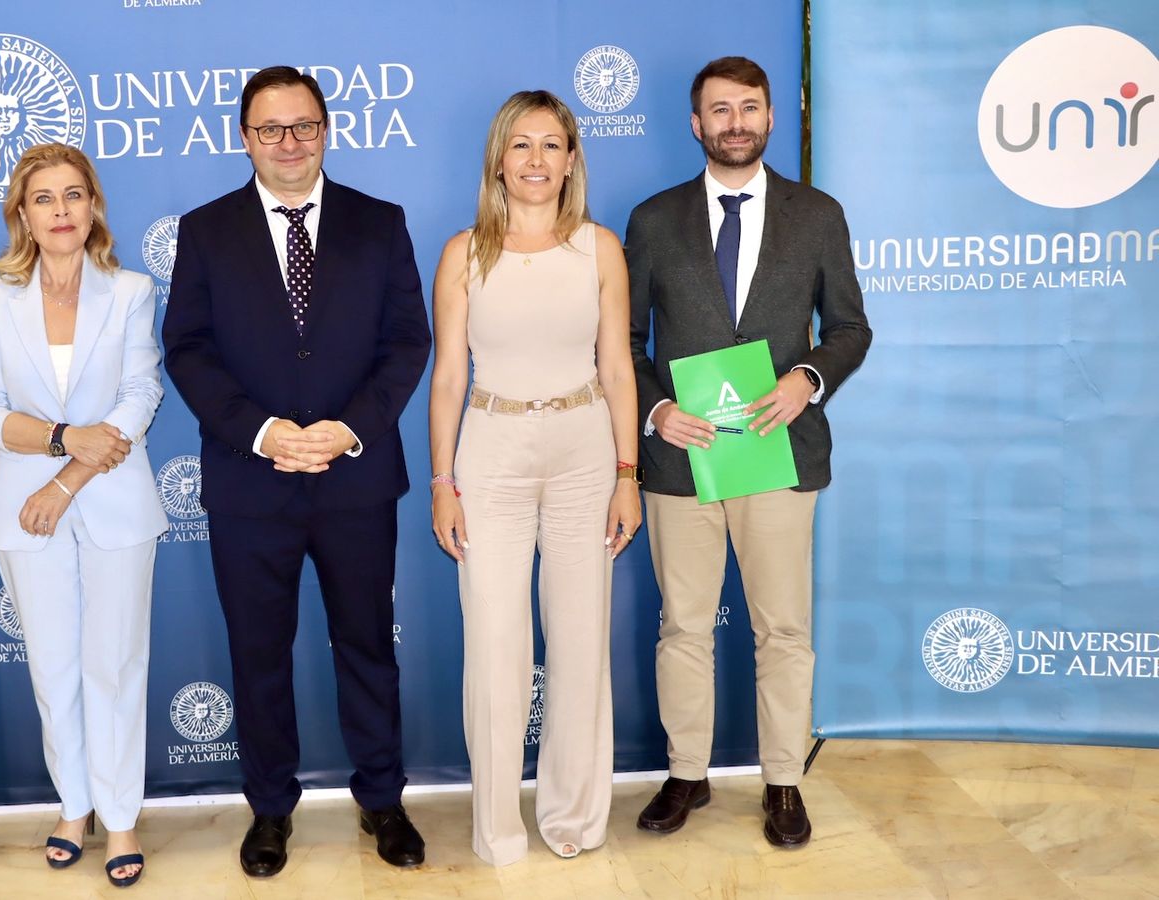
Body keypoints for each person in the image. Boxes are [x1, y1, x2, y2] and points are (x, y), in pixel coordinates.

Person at [161, 65, 431, 877]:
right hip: (252, 486)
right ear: (244, 137)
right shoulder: (206, 231)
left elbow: (406, 343)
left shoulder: (380, 224)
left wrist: (346, 429)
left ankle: (382, 799)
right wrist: (265, 432)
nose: (289, 142)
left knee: (366, 648)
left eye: (304, 125)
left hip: (355, 478)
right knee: (258, 653)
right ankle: (270, 810)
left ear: (326, 129)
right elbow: (189, 350)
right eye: (271, 129)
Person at [625, 57, 872, 848]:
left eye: (750, 108)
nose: (736, 122)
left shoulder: (818, 214)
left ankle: (784, 782)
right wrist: (656, 409)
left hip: (778, 451)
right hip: (681, 462)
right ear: (696, 124)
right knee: (683, 627)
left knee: (783, 630)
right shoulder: (653, 219)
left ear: (771, 119)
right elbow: (624, 343)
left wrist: (807, 378)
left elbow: (849, 328)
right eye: (719, 110)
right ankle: (687, 774)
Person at [427, 90, 641, 866]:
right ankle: (497, 828)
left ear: (573, 158)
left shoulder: (600, 248)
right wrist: (442, 482)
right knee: (494, 644)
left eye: (553, 145)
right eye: (522, 145)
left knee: (582, 639)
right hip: (491, 450)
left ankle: (575, 819)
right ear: (498, 158)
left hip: (586, 449)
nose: (537, 161)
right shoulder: (463, 253)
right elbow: (448, 379)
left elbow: (618, 369)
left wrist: (628, 473)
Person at [0, 143, 165, 888]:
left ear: (94, 207)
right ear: (22, 212)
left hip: (109, 502)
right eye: (44, 198)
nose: (60, 211)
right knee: (53, 668)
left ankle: (119, 818)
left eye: (74, 196)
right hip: (23, 510)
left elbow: (139, 400)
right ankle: (72, 805)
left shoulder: (131, 290)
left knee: (115, 666)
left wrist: (66, 479)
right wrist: (57, 440)